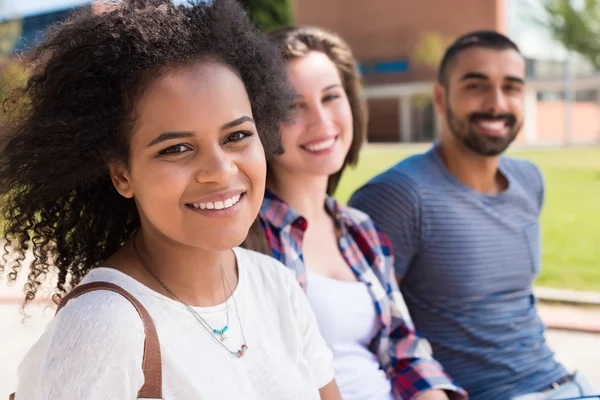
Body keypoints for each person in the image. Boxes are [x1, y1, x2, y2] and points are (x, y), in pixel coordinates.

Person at [0, 1, 342, 399]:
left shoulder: (276, 285)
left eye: (236, 136)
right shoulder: (107, 325)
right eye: (176, 148)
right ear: (122, 173)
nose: (220, 170)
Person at [349, 30, 597, 400]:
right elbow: (367, 332)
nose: (496, 103)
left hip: (567, 384)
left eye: (511, 87)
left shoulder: (529, 180)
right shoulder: (399, 196)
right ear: (440, 97)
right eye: (476, 86)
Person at [242, 25, 466, 400]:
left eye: (331, 97)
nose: (321, 121)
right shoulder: (244, 236)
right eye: (291, 105)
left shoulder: (361, 230)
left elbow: (403, 350)